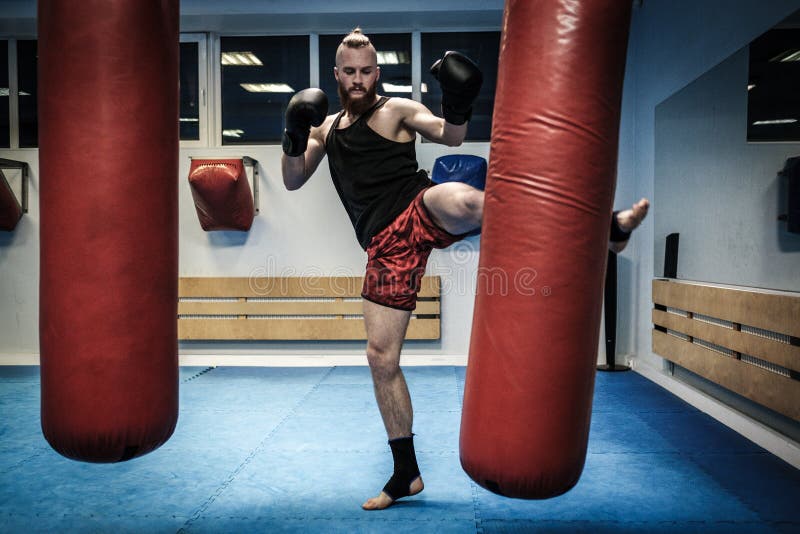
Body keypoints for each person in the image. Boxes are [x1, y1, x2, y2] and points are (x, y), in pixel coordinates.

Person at [281, 28, 648, 510]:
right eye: (348, 72)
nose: (357, 80)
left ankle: (607, 228)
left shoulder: (396, 110)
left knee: (463, 197)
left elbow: (451, 136)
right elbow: (291, 179)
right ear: (335, 75)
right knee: (380, 358)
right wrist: (292, 132)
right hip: (382, 246)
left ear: (377, 71)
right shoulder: (324, 128)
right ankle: (405, 474)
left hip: (417, 205)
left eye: (366, 71)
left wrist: (456, 101)